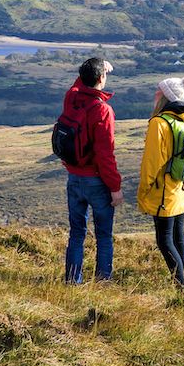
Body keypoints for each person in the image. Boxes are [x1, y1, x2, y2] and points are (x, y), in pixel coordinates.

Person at [60, 56, 122, 284]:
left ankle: (72, 281)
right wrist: (115, 188)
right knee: (104, 235)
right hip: (97, 182)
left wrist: (92, 68)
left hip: (74, 177)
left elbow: (77, 86)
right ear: (101, 78)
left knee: (77, 234)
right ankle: (103, 281)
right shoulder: (103, 110)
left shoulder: (72, 98)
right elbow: (105, 155)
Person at [138, 75, 184, 292]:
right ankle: (180, 280)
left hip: (163, 190)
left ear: (165, 97)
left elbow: (152, 163)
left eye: (158, 91)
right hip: (181, 189)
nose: (155, 93)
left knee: (164, 239)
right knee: (178, 235)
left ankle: (182, 286)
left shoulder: (159, 123)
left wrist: (143, 190)